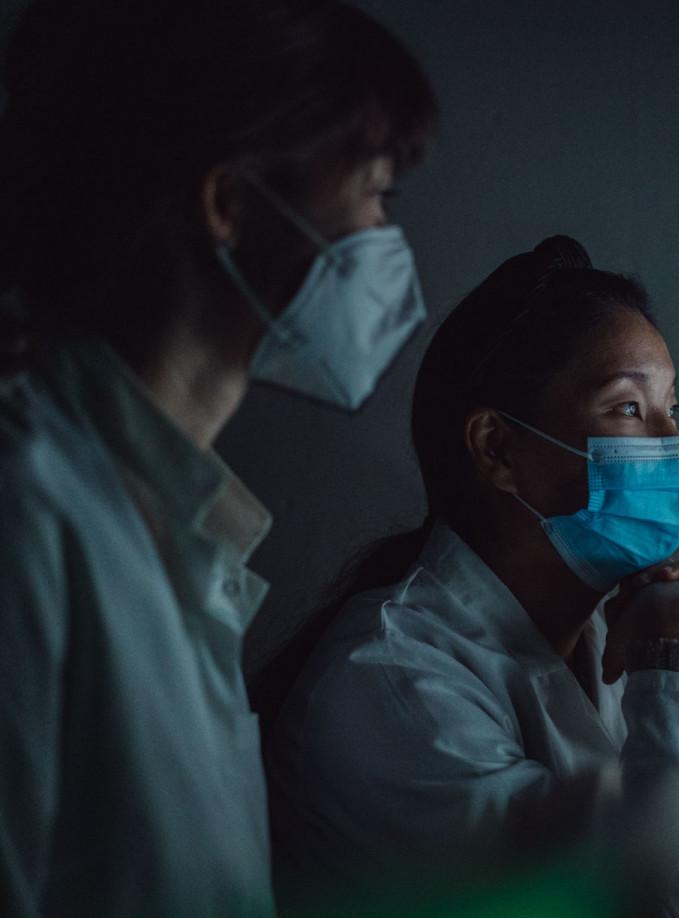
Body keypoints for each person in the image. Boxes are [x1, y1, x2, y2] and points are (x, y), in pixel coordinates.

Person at [0, 1, 436, 915]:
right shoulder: (28, 504)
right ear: (230, 203)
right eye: (374, 194)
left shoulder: (166, 528)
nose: (388, 245)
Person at [266, 236, 679, 917]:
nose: (667, 444)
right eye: (627, 407)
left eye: (671, 410)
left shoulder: (613, 630)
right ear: (497, 448)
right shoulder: (387, 684)